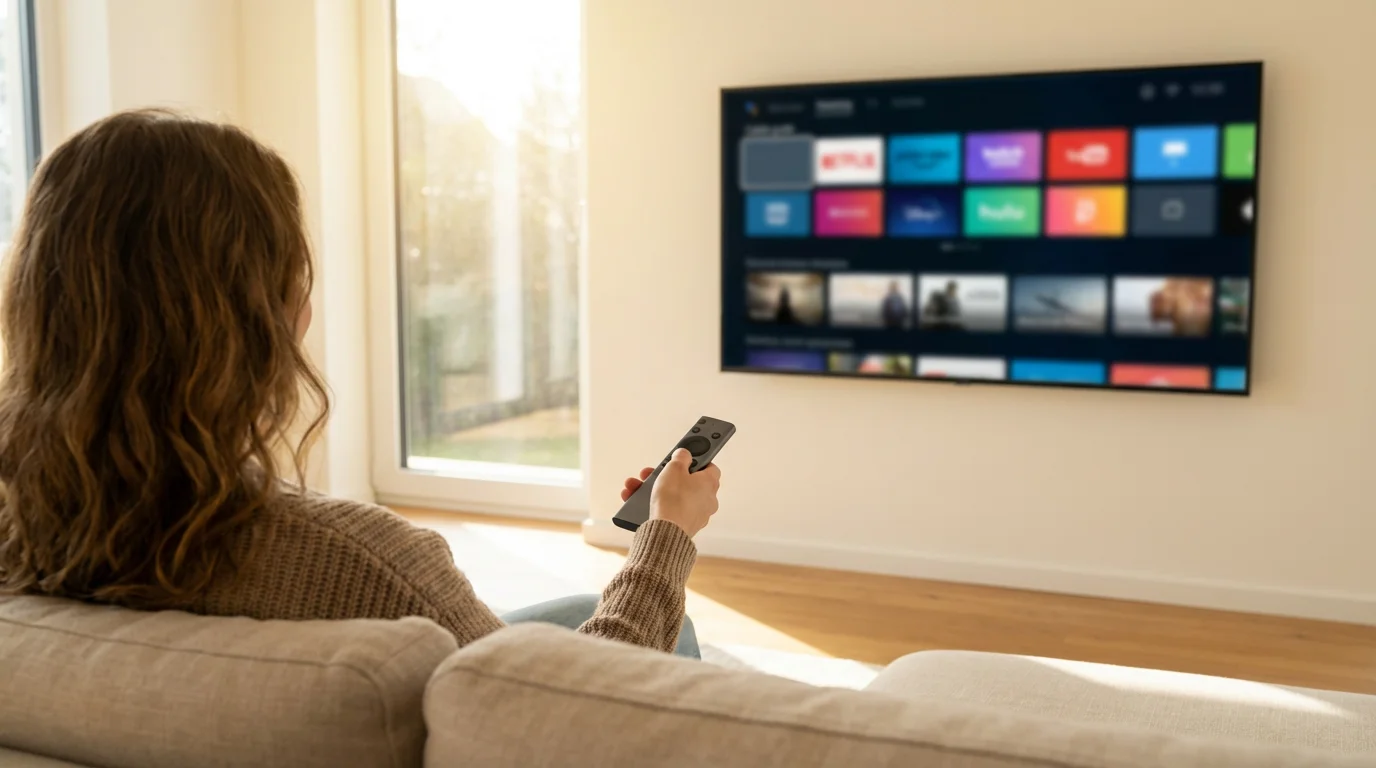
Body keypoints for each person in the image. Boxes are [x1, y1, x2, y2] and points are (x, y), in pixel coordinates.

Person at [0, 109, 719, 658]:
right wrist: (664, 538)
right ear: (259, 321)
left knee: (570, 613)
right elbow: (574, 725)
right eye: (292, 277)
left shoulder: (24, 530)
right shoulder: (362, 565)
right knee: (666, 624)